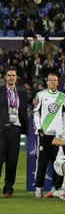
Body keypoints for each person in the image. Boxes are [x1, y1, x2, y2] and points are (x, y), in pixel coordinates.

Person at [33, 73, 65, 198]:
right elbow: (36, 113)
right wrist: (38, 129)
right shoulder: (40, 95)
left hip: (58, 136)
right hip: (45, 134)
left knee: (57, 163)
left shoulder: (62, 96)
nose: (53, 82)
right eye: (50, 80)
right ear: (47, 82)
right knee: (42, 163)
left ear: (58, 82)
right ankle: (38, 188)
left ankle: (55, 188)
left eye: (55, 80)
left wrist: (64, 132)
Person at [0, 67, 29, 198]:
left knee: (12, 161)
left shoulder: (22, 92)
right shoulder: (0, 91)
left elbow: (26, 106)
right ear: (5, 77)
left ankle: (8, 189)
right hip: (1, 130)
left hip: (15, 129)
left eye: (13, 75)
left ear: (17, 77)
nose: (11, 77)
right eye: (9, 75)